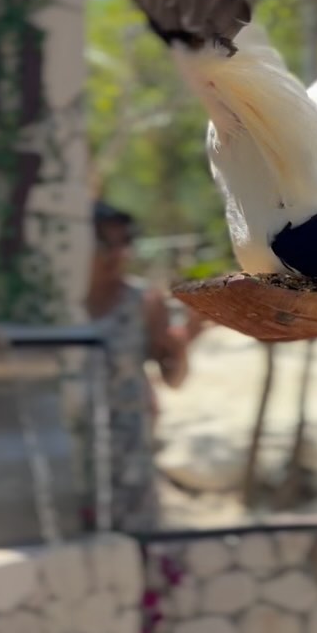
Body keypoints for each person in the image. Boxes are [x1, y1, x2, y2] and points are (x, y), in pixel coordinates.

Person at [84, 200, 204, 531]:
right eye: (105, 244)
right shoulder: (60, 301)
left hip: (127, 451)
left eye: (125, 243)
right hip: (72, 445)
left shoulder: (143, 301)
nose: (118, 254)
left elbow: (173, 379)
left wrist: (181, 347)